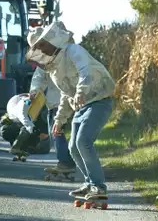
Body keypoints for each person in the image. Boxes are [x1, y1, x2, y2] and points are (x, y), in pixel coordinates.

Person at [26, 21, 115, 200]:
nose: (41, 51)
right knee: (73, 147)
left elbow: (85, 71)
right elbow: (66, 95)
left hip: (99, 100)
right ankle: (89, 184)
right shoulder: (54, 70)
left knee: (83, 141)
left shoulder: (73, 50)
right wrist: (59, 119)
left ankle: (99, 186)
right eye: (38, 48)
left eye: (42, 46)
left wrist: (81, 91)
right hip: (80, 107)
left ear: (51, 42)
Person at [29, 65, 77, 173]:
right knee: (60, 133)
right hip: (68, 101)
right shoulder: (65, 54)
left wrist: (34, 91)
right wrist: (34, 91)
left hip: (58, 103)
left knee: (56, 133)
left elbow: (39, 77)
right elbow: (39, 78)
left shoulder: (47, 58)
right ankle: (69, 161)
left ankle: (65, 163)